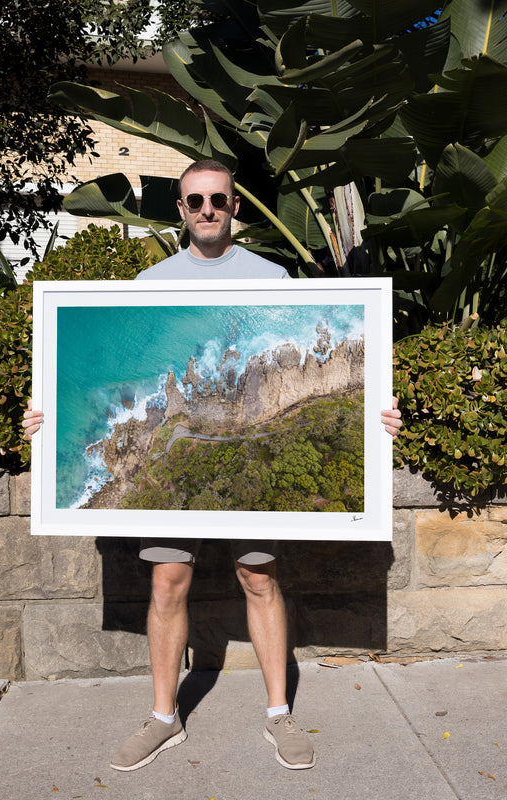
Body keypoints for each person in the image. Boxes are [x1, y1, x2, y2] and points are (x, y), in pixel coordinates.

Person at [23, 159, 403, 772]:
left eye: (218, 201)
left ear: (233, 207)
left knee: (259, 577)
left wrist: (375, 417)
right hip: (188, 472)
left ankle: (279, 713)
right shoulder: (152, 280)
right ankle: (163, 717)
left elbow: (307, 331)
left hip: (252, 459)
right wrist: (45, 427)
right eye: (195, 201)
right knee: (168, 581)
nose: (207, 210)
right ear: (180, 209)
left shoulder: (272, 274)